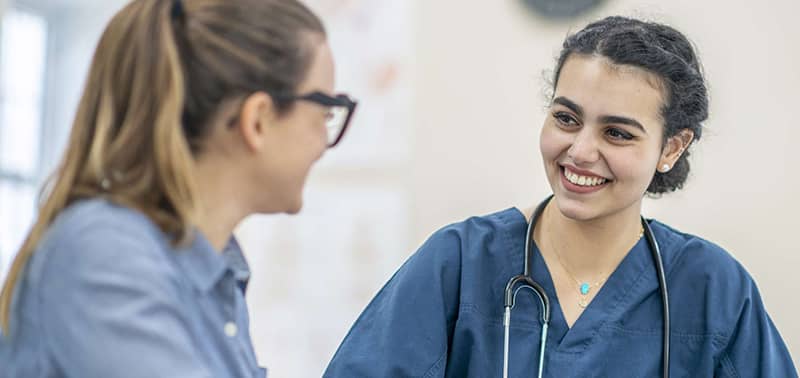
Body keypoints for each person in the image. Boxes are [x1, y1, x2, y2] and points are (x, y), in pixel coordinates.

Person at [324, 16, 796, 377]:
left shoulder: (713, 288)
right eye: (567, 119)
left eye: (617, 133)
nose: (581, 151)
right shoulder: (461, 263)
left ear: (671, 147)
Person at [0, 0, 356, 376]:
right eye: (326, 110)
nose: (323, 140)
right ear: (259, 120)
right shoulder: (104, 254)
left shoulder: (217, 274)